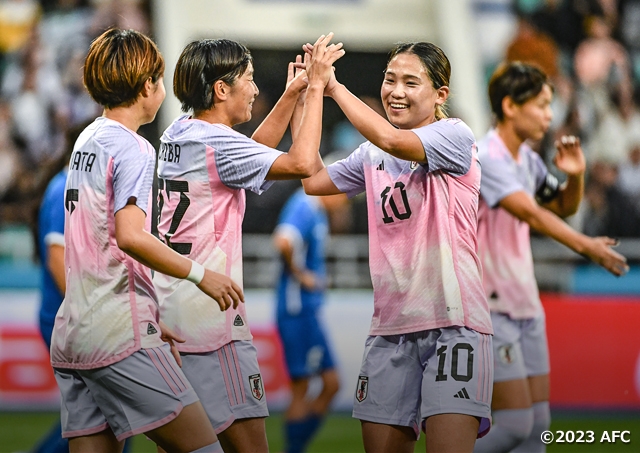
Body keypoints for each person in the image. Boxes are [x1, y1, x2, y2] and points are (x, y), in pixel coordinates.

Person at [50, 28, 243, 453]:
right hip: (118, 332)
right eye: (159, 79)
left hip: (74, 332)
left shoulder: (87, 139)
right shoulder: (135, 148)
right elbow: (130, 236)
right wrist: (201, 275)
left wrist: (150, 313)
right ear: (146, 87)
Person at [153, 34, 344, 453]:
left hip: (173, 312)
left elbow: (249, 153)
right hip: (212, 321)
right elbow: (303, 164)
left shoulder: (179, 132)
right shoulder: (217, 143)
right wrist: (315, 88)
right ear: (222, 89)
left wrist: (291, 95)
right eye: (249, 78)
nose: (256, 89)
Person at [301, 41, 494, 453]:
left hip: (452, 325)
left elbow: (391, 140)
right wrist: (311, 93)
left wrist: (334, 87)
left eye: (410, 82)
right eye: (390, 80)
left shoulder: (454, 135)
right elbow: (312, 180)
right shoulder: (370, 153)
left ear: (440, 94)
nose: (396, 92)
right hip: (390, 329)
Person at [472, 61, 629, 453]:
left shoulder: (527, 160)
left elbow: (561, 206)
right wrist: (585, 245)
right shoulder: (487, 157)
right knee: (514, 426)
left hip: (526, 303)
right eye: (541, 105)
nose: (549, 115)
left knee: (538, 427)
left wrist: (575, 175)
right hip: (492, 308)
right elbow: (530, 212)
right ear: (510, 106)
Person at [273, 185, 347, 453]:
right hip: (297, 309)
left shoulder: (316, 209)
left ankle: (296, 448)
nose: (344, 200)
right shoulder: (304, 205)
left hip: (307, 310)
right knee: (302, 386)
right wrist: (300, 274)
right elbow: (282, 240)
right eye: (343, 194)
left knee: (331, 384)